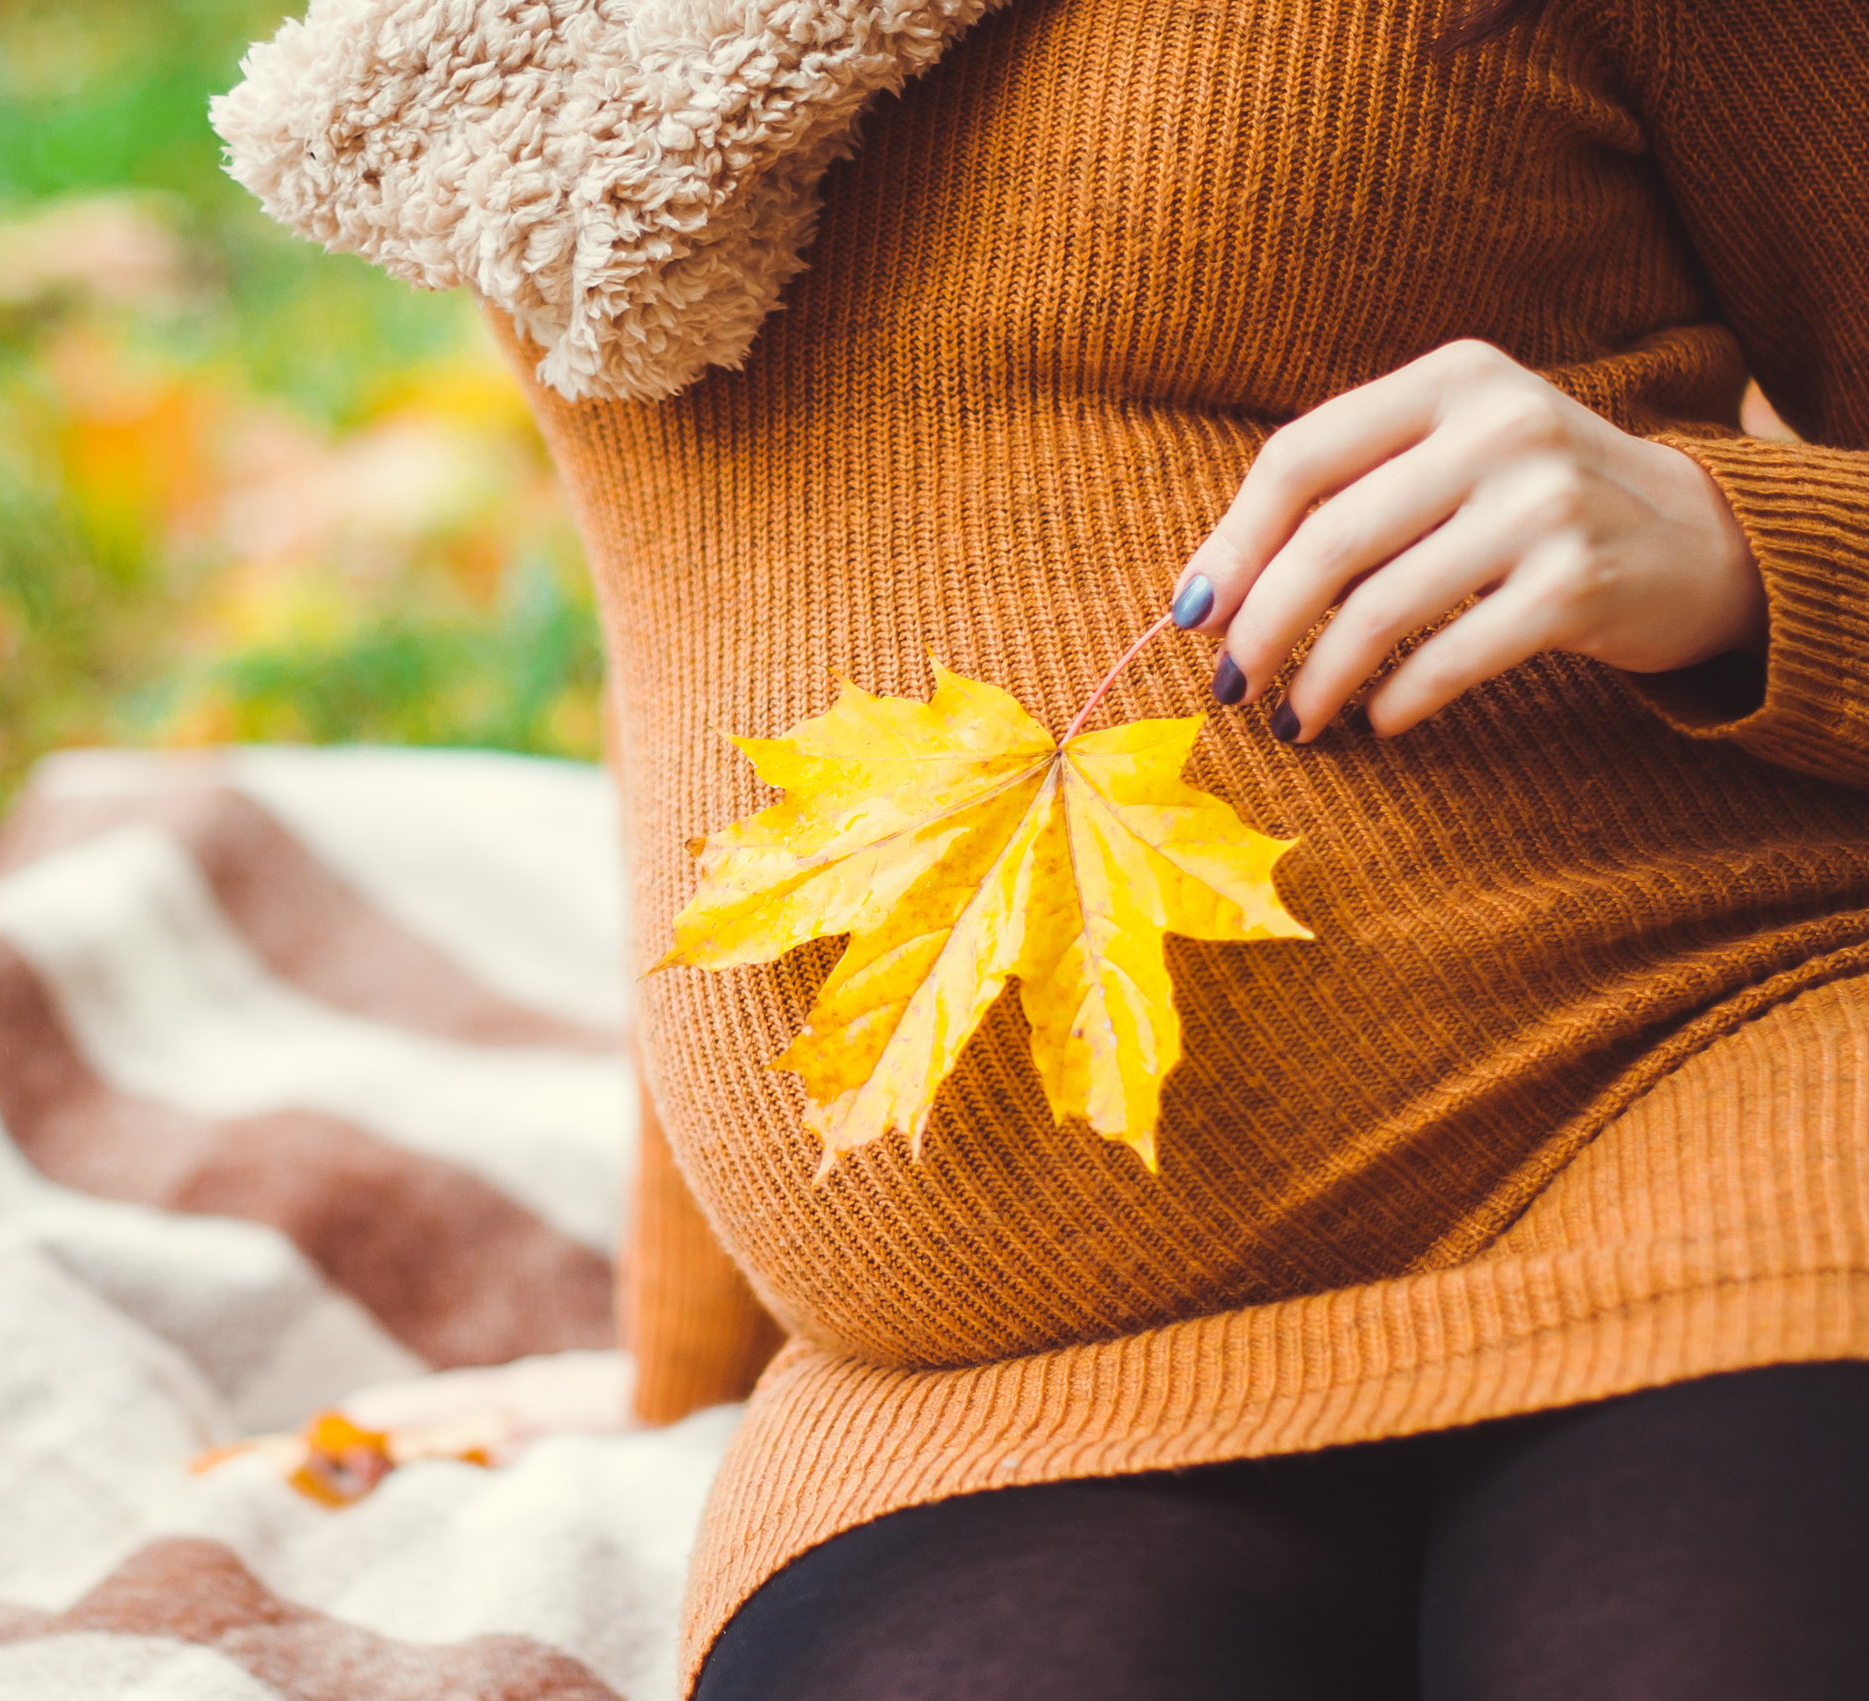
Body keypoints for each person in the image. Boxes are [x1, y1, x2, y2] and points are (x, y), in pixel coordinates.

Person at [217, 0, 1869, 1693]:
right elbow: (701, 634)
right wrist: (683, 1356)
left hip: (1696, 1130)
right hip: (974, 1405)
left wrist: (1739, 552)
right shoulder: (522, 43)